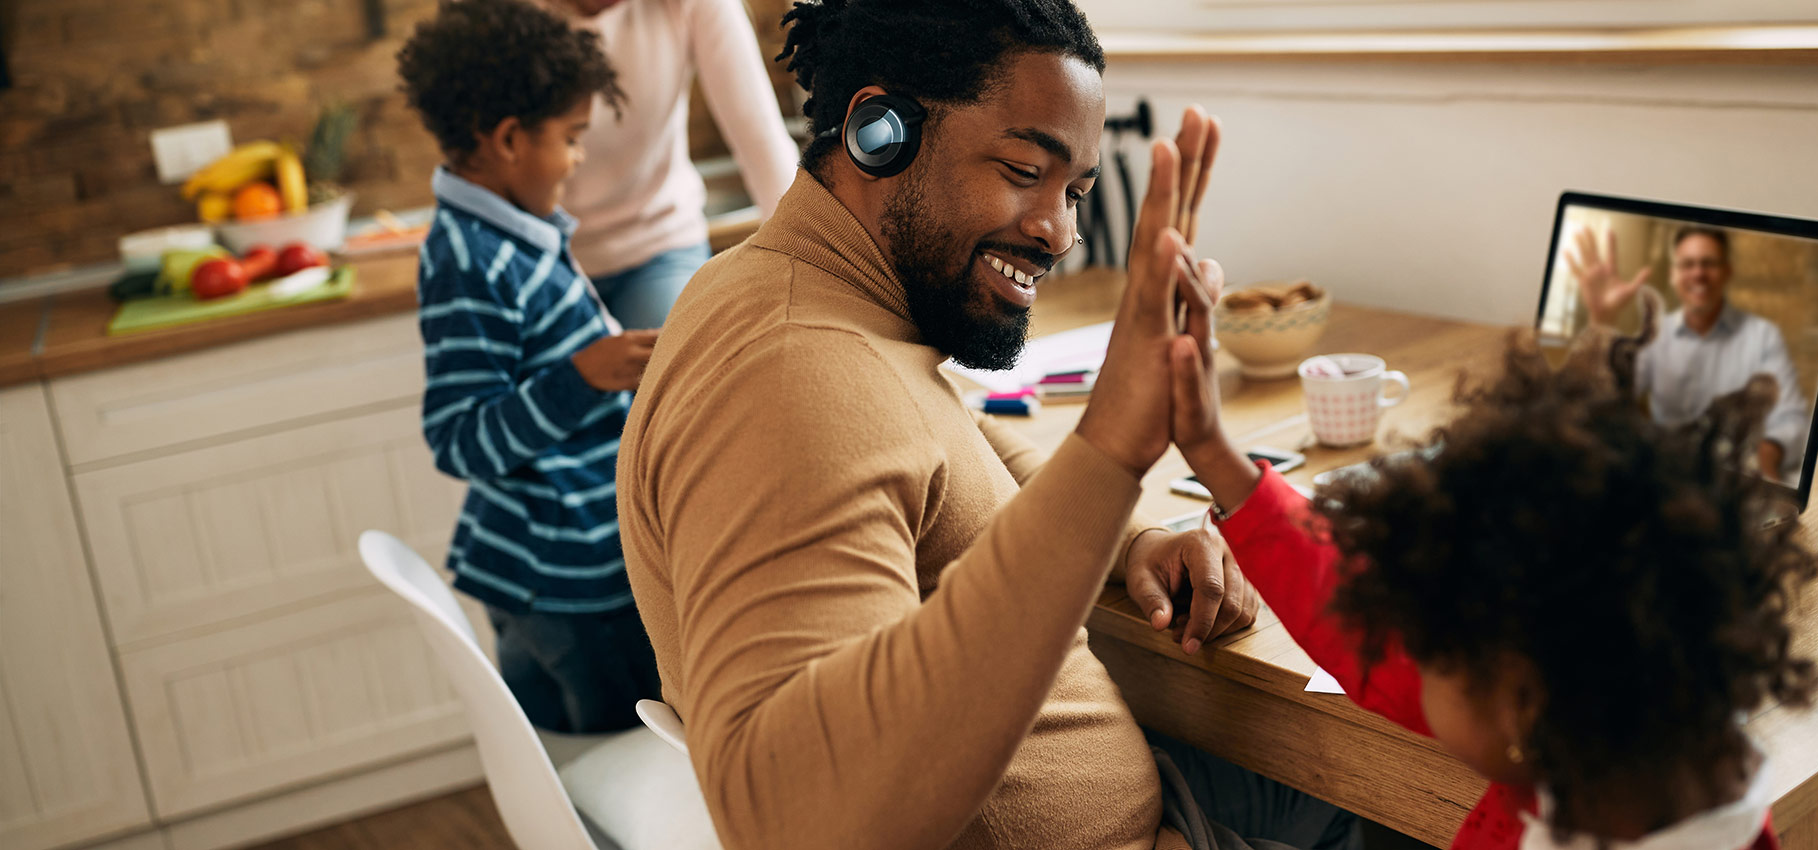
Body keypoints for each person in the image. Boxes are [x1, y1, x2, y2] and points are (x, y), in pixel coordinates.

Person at [615, 1, 1361, 848]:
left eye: (1074, 190)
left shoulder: (800, 299)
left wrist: (1131, 539)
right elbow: (796, 823)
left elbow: (952, 443)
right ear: (876, 131)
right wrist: (1113, 446)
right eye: (1020, 170)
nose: (1060, 231)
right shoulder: (789, 375)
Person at [1167, 307, 1818, 849]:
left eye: (1425, 644)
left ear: (1517, 695)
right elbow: (1352, 613)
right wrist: (1215, 453)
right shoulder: (1613, 722)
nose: (1401, 647)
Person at [397, 0, 664, 734]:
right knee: (622, 767)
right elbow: (458, 438)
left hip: (556, 575)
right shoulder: (469, 262)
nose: (578, 159)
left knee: (570, 764)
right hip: (565, 587)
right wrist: (585, 377)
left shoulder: (514, 234)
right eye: (571, 139)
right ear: (510, 139)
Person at [543, 0, 799, 330]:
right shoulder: (498, 17)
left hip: (660, 247)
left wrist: (809, 271)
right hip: (543, 256)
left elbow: (763, 145)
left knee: (686, 369)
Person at [1567, 224, 1809, 481]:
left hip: (1735, 476)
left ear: (1727, 272)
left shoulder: (1762, 335)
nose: (1698, 274)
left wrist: (1764, 458)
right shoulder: (1655, 334)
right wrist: (1601, 320)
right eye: (1687, 264)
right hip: (1665, 477)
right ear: (1673, 275)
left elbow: (1790, 416)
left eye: (1709, 263)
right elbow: (1604, 400)